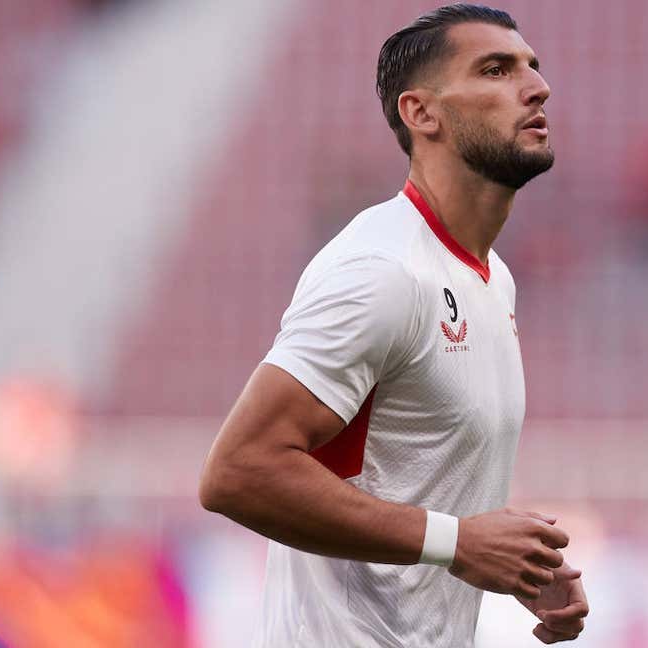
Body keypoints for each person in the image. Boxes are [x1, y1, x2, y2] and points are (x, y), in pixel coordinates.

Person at [198, 4, 589, 646]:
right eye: (496, 69)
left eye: (533, 68)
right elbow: (238, 471)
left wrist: (514, 560)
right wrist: (457, 541)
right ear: (421, 113)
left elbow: (409, 476)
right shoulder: (382, 271)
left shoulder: (491, 279)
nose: (536, 86)